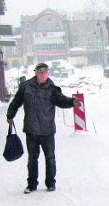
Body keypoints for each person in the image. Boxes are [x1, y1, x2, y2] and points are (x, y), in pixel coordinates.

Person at [6, 62, 82, 194]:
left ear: (48, 73)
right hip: (31, 129)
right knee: (32, 159)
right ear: (35, 73)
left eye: (45, 72)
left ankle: (50, 183)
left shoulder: (53, 89)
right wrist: (10, 115)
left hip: (47, 130)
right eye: (40, 72)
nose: (42, 74)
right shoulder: (26, 87)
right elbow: (16, 101)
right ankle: (32, 184)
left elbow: (61, 100)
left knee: (50, 158)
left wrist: (72, 102)